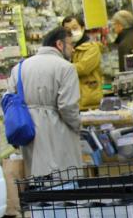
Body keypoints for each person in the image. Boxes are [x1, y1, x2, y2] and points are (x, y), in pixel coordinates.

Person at [7, 26, 82, 177]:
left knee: (38, 178)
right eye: (71, 44)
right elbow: (67, 106)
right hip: (58, 130)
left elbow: (9, 100)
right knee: (63, 177)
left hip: (29, 132)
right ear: (60, 44)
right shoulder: (66, 68)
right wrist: (78, 125)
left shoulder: (19, 68)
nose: (73, 49)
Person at [62, 16, 103, 110]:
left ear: (83, 28)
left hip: (89, 100)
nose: (71, 32)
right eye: (67, 30)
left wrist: (61, 68)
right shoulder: (67, 48)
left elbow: (82, 68)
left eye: (75, 28)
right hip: (73, 100)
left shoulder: (92, 48)